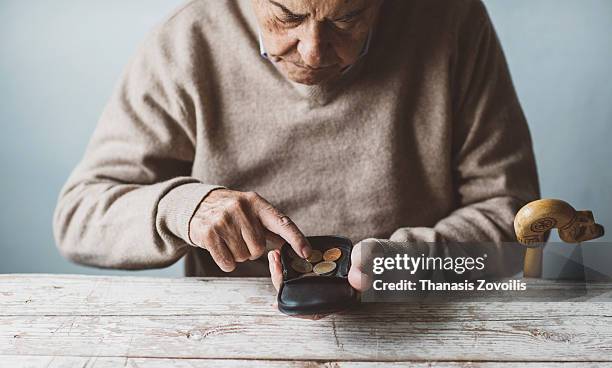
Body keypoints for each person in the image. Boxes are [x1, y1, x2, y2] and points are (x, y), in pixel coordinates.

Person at [53, 0, 540, 294]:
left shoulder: (452, 22)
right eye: (287, 16)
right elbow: (79, 218)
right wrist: (185, 206)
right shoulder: (188, 39)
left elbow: (514, 215)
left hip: (424, 317)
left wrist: (404, 263)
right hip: (233, 339)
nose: (313, 51)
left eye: (347, 19)